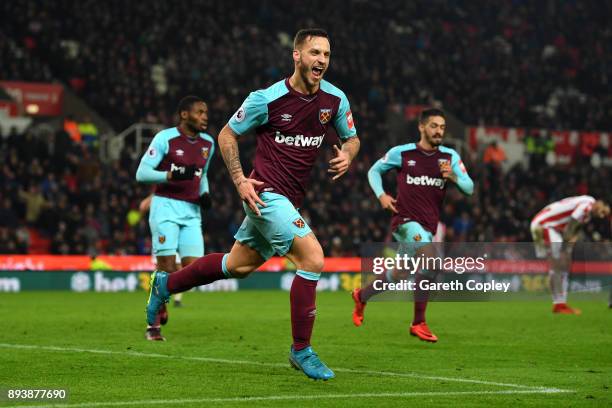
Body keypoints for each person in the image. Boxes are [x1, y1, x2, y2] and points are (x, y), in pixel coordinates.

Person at [145, 28, 360, 380]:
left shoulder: (335, 100)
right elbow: (227, 134)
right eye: (314, 53)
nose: (321, 60)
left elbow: (352, 139)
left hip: (289, 199)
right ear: (297, 55)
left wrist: (348, 155)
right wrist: (240, 179)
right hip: (265, 193)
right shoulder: (267, 99)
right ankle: (301, 349)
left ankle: (164, 285)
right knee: (314, 258)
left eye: (326, 54)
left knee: (237, 265)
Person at [353, 108, 474, 342]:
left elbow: (469, 188)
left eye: (442, 127)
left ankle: (362, 295)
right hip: (405, 222)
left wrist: (453, 178)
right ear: (422, 127)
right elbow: (374, 171)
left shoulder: (449, 157)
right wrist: (381, 196)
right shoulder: (403, 153)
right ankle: (418, 322)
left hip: (428, 227)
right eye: (434, 126)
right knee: (432, 261)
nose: (439, 131)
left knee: (400, 273)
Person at [136, 96, 215, 341]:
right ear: (184, 114)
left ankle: (159, 292)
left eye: (206, 112)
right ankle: (154, 320)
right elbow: (142, 173)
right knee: (167, 267)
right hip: (165, 207)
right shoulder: (164, 139)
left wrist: (205, 193)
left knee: (195, 271)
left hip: (192, 211)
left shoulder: (208, 143)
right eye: (200, 112)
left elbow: (202, 175)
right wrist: (170, 174)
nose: (205, 116)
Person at [530, 196, 610, 314]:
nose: (601, 215)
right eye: (603, 211)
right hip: (546, 226)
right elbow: (571, 225)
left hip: (546, 225)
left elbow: (574, 228)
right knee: (559, 264)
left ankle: (559, 304)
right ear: (599, 203)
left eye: (604, 215)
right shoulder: (587, 205)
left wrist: (569, 245)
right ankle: (559, 305)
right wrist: (566, 247)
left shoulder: (587, 210)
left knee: (560, 265)